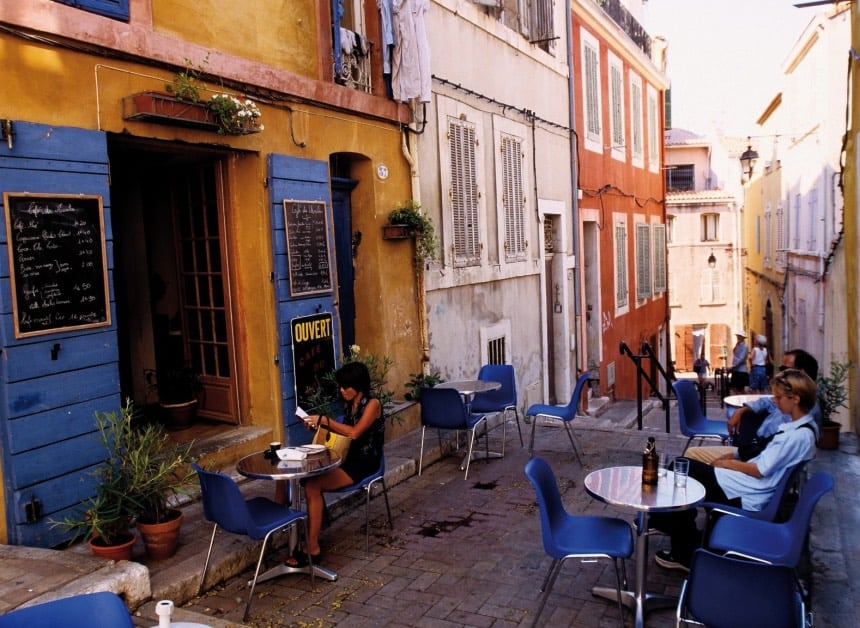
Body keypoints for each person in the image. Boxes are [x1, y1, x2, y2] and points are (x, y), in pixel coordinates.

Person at [651, 368, 819, 572]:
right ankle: (671, 526)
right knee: (682, 471)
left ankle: (680, 549)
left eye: (779, 397)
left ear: (795, 399)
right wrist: (733, 459)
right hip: (744, 486)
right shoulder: (802, 429)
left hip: (745, 493)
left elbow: (759, 470)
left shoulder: (796, 437)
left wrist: (727, 464)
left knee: (679, 471)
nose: (775, 400)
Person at [288, 361, 385, 566]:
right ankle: (317, 524)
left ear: (357, 386)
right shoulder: (350, 405)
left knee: (314, 485)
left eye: (345, 387)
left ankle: (312, 547)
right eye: (340, 387)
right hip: (346, 457)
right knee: (306, 478)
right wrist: (317, 427)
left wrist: (325, 420)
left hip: (364, 463)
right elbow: (339, 435)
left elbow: (354, 432)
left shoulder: (372, 404)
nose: (342, 391)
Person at [686, 348, 821, 464]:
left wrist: (729, 463)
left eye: (785, 370)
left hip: (754, 458)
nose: (780, 374)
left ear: (801, 374)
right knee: (691, 459)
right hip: (752, 451)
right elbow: (767, 401)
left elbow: (765, 462)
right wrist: (743, 410)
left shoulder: (799, 415)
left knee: (689, 459)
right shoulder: (796, 402)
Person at [729, 330, 749, 394]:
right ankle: (740, 399)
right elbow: (735, 353)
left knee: (740, 389)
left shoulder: (744, 346)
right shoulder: (738, 345)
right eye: (737, 336)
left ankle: (743, 400)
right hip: (737, 369)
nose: (738, 337)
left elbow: (741, 358)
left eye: (739, 336)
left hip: (741, 370)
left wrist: (733, 366)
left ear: (742, 337)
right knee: (734, 387)